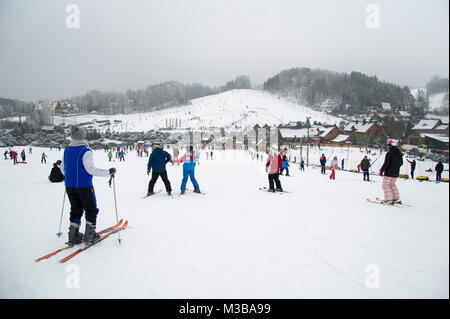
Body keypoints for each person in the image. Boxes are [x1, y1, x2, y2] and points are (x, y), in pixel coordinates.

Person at [61, 126, 116, 245]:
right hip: (84, 186)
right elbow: (90, 169)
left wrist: (71, 177)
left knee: (75, 209)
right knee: (91, 209)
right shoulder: (85, 151)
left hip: (70, 186)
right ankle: (90, 236)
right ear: (82, 136)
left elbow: (63, 169)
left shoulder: (67, 149)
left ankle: (73, 235)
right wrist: (108, 173)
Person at [379, 140, 403, 204]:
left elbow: (386, 163)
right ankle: (396, 198)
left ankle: (388, 199)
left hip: (389, 173)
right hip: (395, 173)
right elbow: (401, 163)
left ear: (390, 146)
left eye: (388, 146)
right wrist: (395, 167)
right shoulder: (399, 153)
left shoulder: (389, 153)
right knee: (392, 185)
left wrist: (382, 170)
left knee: (385, 186)